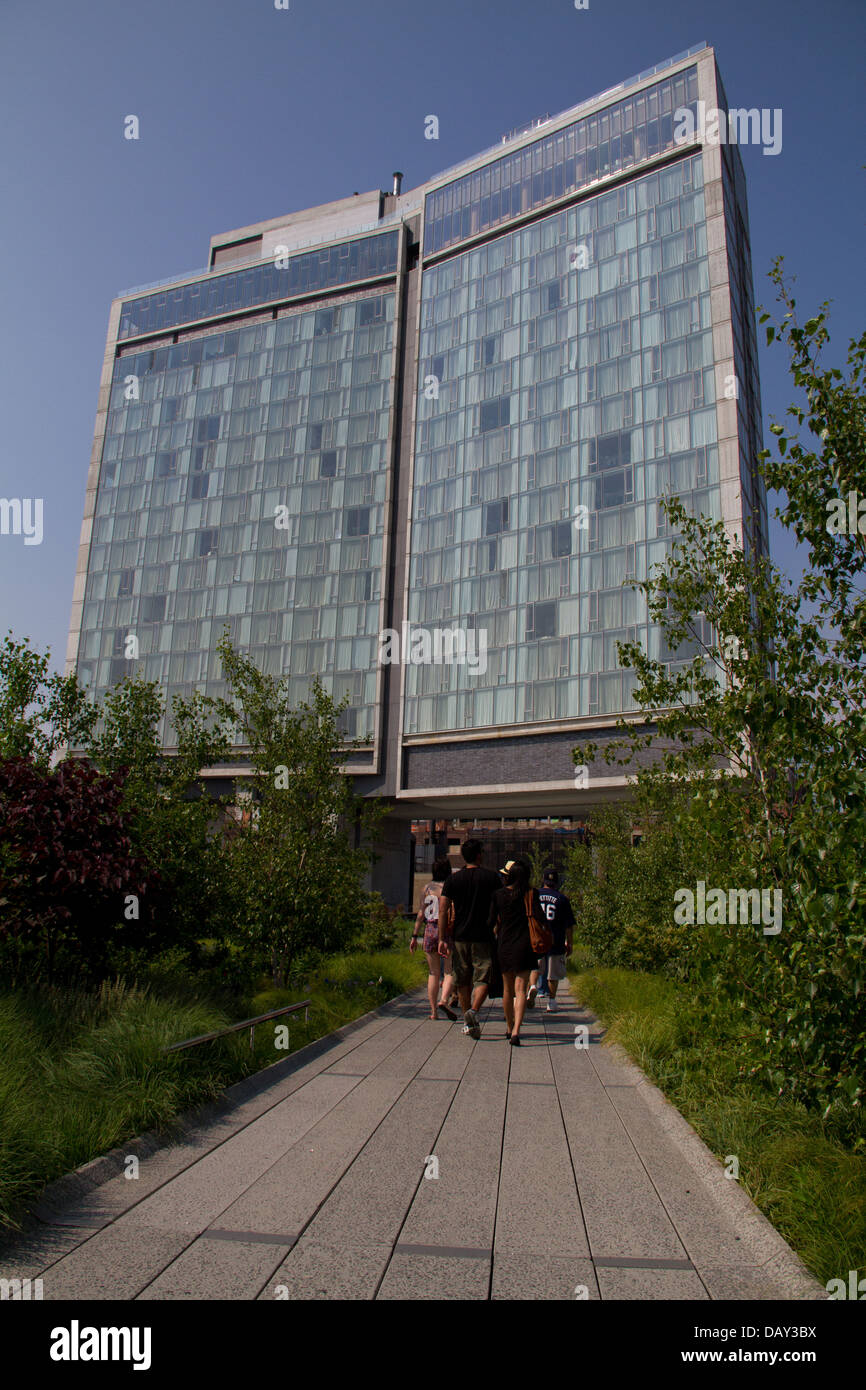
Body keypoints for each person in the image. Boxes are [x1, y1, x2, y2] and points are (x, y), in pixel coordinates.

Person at [438, 839, 501, 1040]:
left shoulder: (453, 880)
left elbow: (443, 909)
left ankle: (467, 1022)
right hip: (483, 935)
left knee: (462, 980)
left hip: (460, 936)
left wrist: (442, 937)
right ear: (479, 855)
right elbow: (499, 907)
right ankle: (473, 1011)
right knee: (483, 977)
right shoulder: (491, 878)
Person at [488, 859, 542, 1046]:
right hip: (524, 945)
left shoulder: (498, 895)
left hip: (504, 944)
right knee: (521, 990)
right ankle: (517, 1032)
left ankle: (509, 1026)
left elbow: (491, 921)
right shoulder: (530, 894)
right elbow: (540, 918)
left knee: (507, 989)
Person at [409, 856, 456, 1020]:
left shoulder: (427, 888)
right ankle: (444, 1000)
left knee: (433, 972)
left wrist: (415, 935)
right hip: (447, 931)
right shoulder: (451, 888)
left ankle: (433, 1011)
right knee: (449, 970)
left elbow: (421, 914)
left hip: (430, 929)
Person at [537, 868, 575, 1012]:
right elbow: (569, 925)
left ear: (543, 880)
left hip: (537, 939)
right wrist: (569, 943)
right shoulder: (562, 899)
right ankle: (552, 1001)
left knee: (535, 969)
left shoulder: (535, 895)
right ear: (556, 882)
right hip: (556, 940)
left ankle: (532, 988)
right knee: (553, 973)